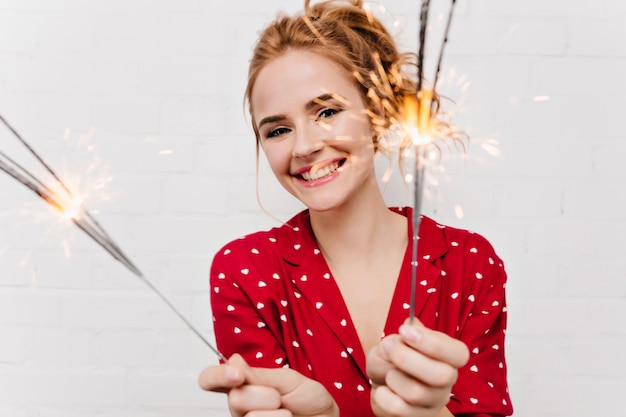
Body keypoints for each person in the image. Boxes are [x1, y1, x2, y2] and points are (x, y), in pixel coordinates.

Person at [198, 1, 513, 416]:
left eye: (327, 111)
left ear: (377, 113)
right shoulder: (245, 272)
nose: (304, 146)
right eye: (278, 129)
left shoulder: (470, 264)